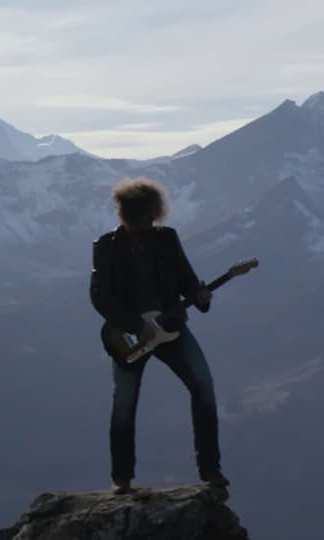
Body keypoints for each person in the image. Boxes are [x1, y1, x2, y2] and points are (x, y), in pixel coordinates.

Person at [89, 177, 229, 495]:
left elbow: (187, 281)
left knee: (203, 386)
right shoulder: (105, 247)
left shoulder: (167, 240)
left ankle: (211, 469)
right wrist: (136, 325)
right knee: (125, 402)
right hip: (131, 336)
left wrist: (201, 296)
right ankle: (121, 478)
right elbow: (99, 296)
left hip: (172, 329)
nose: (147, 223)